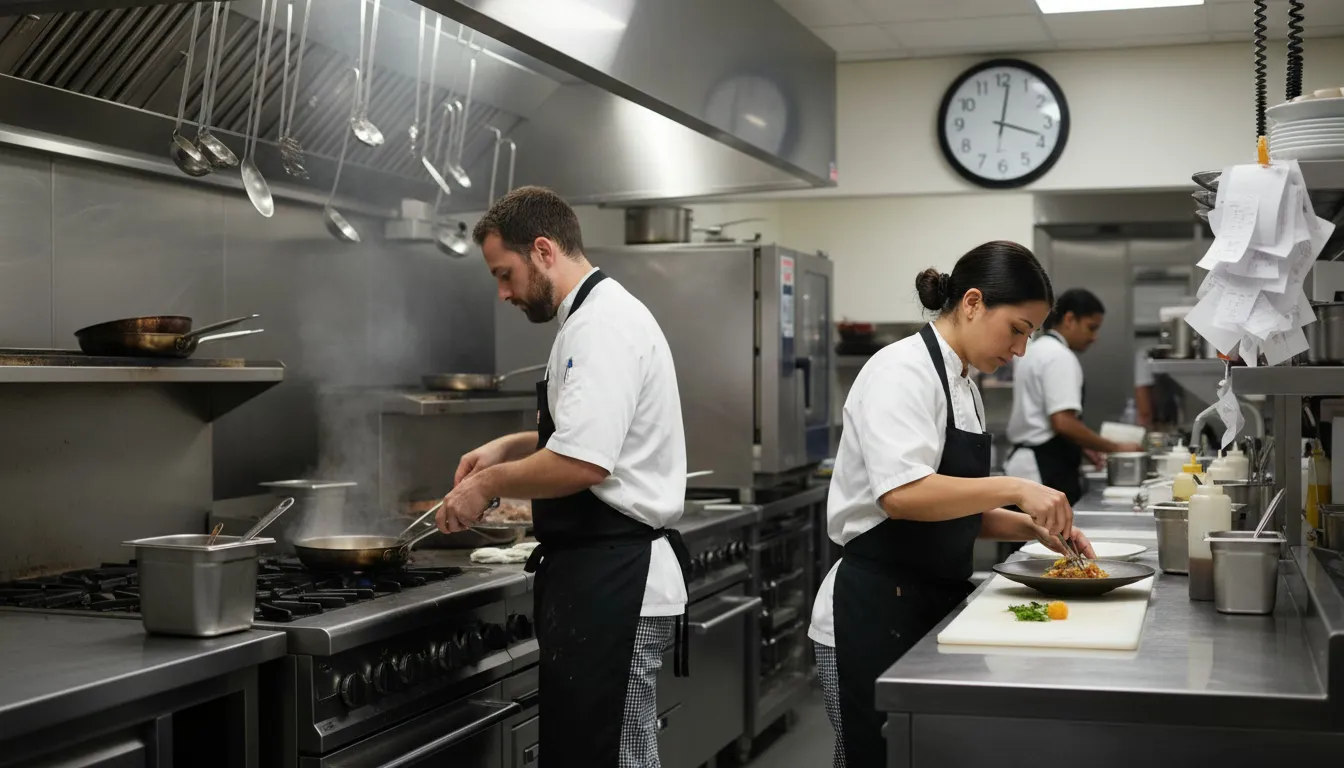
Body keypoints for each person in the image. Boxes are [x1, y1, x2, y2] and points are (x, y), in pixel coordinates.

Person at [807, 242, 1095, 768]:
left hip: (929, 606)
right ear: (972, 303)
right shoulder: (902, 370)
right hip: (873, 612)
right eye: (1017, 330)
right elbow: (903, 496)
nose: (1020, 350)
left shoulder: (964, 385)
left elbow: (951, 507)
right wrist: (1015, 488)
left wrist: (1034, 529)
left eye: (1029, 335)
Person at [436, 186, 690, 767]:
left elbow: (583, 462)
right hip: (601, 582)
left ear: (543, 250)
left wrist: (487, 484)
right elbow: (590, 434)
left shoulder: (601, 326)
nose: (503, 293)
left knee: (612, 757)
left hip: (617, 584)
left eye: (504, 274)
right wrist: (509, 446)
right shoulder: (589, 319)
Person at [1003, 288, 1143, 504]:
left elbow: (1042, 417)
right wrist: (1116, 448)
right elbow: (1063, 422)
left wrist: (1085, 446)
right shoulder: (1060, 356)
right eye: (1091, 328)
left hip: (1025, 466)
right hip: (1044, 470)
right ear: (1069, 319)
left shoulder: (1036, 349)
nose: (1094, 337)